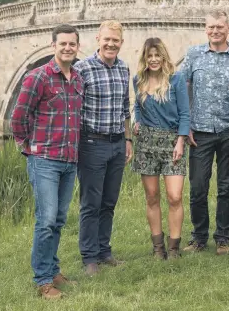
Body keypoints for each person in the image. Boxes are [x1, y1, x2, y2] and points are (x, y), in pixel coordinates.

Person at [11, 24, 83, 299]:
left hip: (69, 160)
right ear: (53, 46)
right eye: (62, 43)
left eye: (72, 44)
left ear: (77, 46)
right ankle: (43, 280)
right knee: (46, 220)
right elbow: (18, 116)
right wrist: (27, 147)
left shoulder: (77, 79)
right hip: (44, 161)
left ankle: (53, 270)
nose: (68, 48)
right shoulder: (37, 77)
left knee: (60, 219)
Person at [178, 9, 229, 255]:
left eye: (220, 27)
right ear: (206, 29)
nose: (215, 31)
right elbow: (181, 88)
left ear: (228, 28)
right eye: (211, 27)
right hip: (200, 132)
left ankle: (223, 238)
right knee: (198, 187)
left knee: (226, 187)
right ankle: (198, 237)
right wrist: (185, 127)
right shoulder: (194, 54)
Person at [76, 20, 133, 276]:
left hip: (117, 144)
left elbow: (125, 107)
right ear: (98, 39)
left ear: (121, 43)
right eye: (107, 39)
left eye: (116, 41)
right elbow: (74, 109)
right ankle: (89, 258)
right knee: (91, 203)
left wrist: (128, 139)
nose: (111, 44)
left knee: (109, 201)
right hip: (91, 143)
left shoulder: (124, 68)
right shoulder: (82, 68)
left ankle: (104, 251)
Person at [131, 38, 191, 260]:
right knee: (152, 196)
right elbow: (137, 104)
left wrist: (181, 140)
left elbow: (185, 112)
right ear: (145, 58)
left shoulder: (176, 80)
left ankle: (174, 248)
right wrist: (137, 120)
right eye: (150, 55)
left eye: (157, 55)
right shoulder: (138, 80)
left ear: (164, 57)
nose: (154, 59)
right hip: (146, 143)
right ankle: (158, 247)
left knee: (175, 196)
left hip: (172, 142)